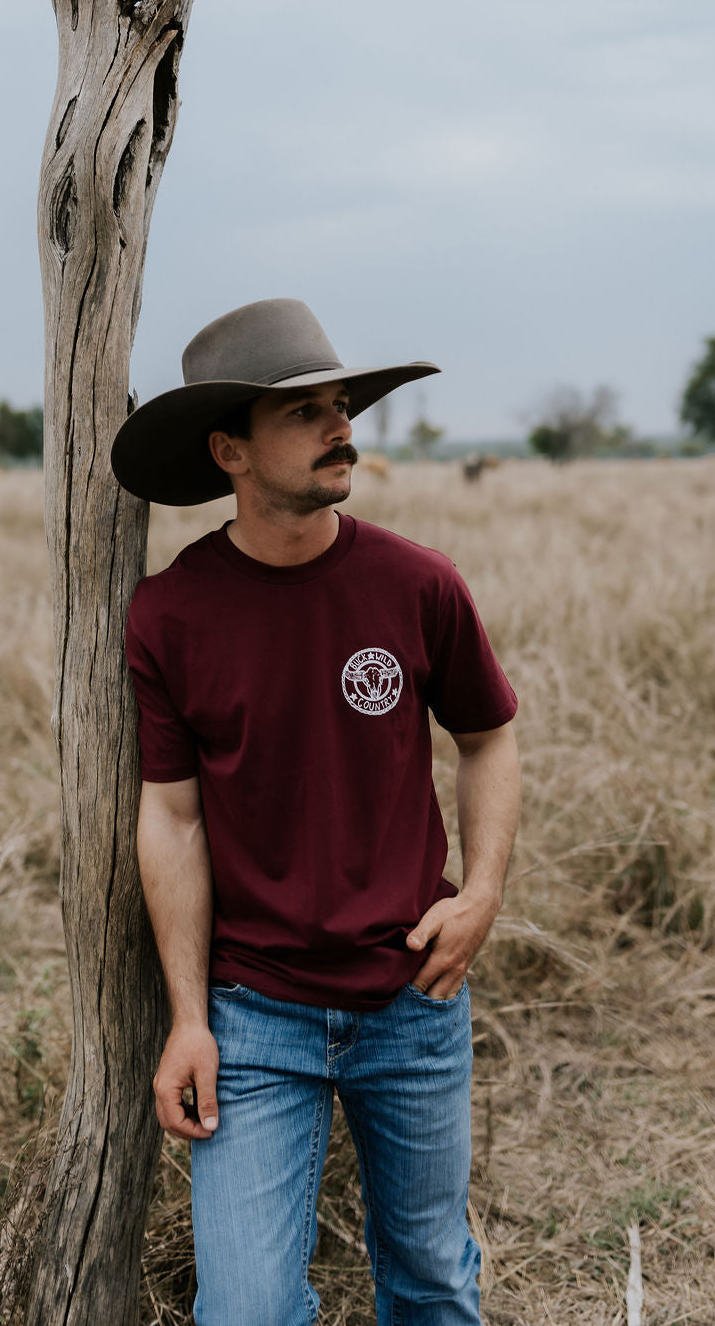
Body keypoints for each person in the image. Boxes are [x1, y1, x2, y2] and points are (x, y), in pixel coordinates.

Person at [111, 297, 520, 1325]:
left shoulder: (417, 584)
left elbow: (487, 735)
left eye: (342, 406)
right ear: (228, 451)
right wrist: (190, 1020)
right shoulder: (170, 613)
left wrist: (480, 895)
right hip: (253, 1016)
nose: (342, 428)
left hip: (411, 1000)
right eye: (305, 413)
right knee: (245, 1311)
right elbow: (172, 819)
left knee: (430, 1279)